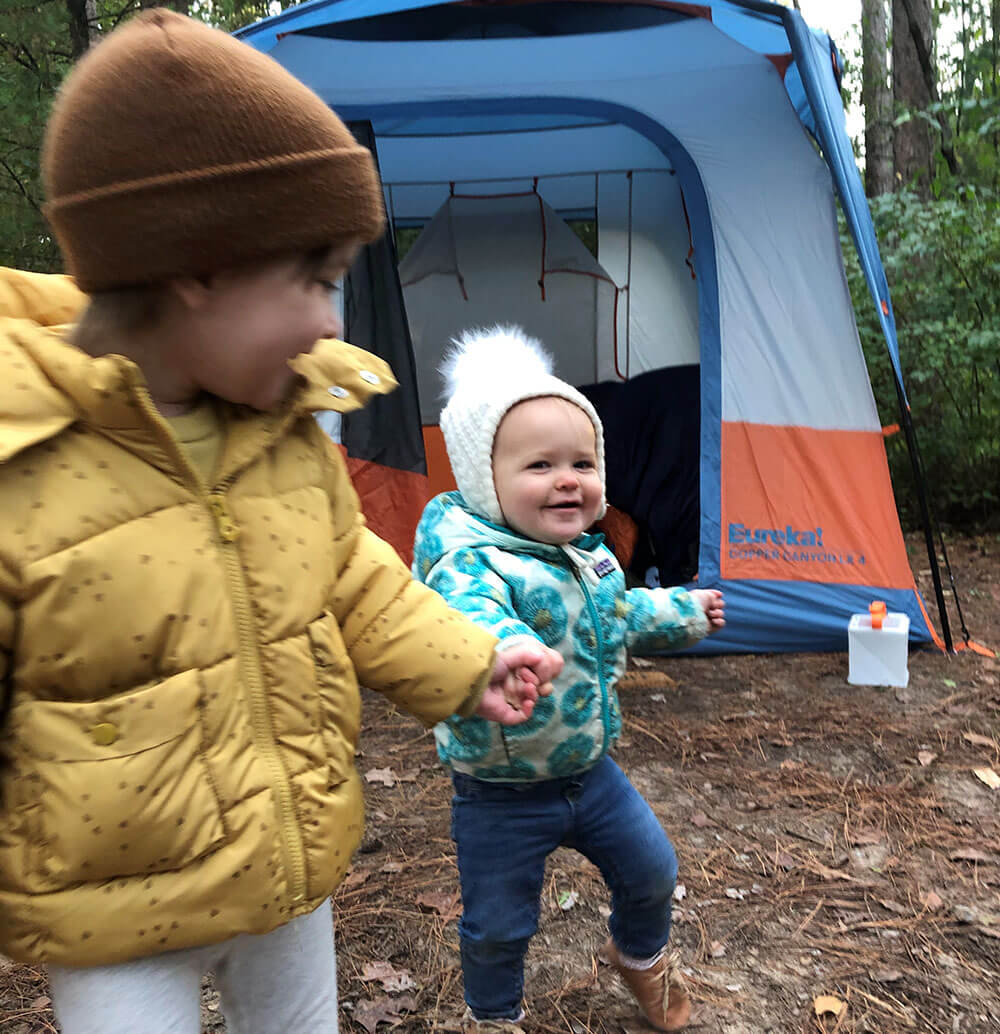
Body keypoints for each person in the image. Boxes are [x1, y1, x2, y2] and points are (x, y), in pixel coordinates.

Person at [0, 14, 560, 1034]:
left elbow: (349, 573)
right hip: (116, 919)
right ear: (196, 267)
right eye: (313, 277)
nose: (330, 323)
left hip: (283, 864)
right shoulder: (22, 462)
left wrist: (464, 661)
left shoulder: (284, 425)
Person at [412, 326, 725, 1033]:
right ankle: (493, 1016)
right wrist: (506, 647)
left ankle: (641, 958)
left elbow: (623, 611)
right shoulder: (469, 561)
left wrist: (685, 610)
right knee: (498, 924)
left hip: (589, 772)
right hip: (498, 792)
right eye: (540, 465)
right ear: (481, 478)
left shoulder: (590, 555)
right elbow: (470, 615)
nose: (568, 479)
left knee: (653, 870)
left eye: (583, 462)